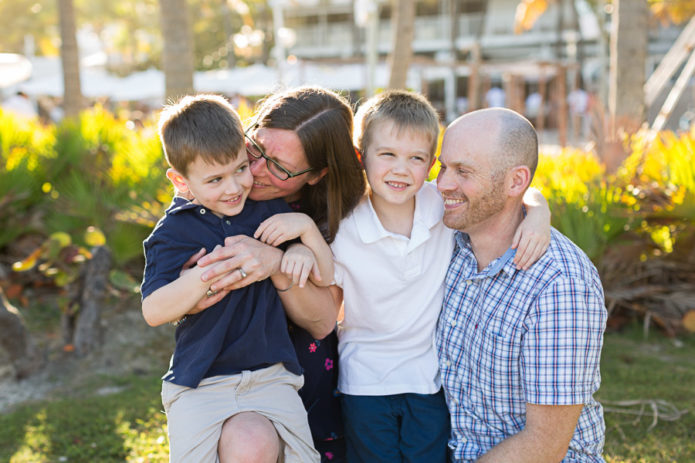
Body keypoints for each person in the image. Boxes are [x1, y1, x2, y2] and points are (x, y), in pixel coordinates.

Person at [329, 90, 551, 462]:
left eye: (415, 159)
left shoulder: (440, 205)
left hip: (430, 381)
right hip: (365, 381)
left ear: (433, 164)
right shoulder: (343, 225)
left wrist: (539, 211)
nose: (401, 169)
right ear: (360, 156)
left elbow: (519, 191)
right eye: (387, 155)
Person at [140, 94, 335, 462]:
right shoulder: (174, 232)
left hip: (272, 376)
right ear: (180, 181)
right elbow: (153, 310)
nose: (234, 188)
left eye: (240, 169)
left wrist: (300, 245)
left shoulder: (269, 212)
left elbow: (324, 276)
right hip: (200, 381)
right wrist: (202, 278)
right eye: (215, 179)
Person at [187, 86, 367, 462]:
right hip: (226, 382)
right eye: (255, 149)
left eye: (279, 167)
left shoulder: (343, 217)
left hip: (306, 378)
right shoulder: (215, 189)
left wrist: (278, 260)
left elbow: (322, 321)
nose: (254, 171)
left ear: (317, 175)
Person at [435, 107, 607, 462]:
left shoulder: (561, 285)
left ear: (516, 182)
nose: (442, 184)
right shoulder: (446, 241)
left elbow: (544, 446)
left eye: (463, 171)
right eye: (442, 166)